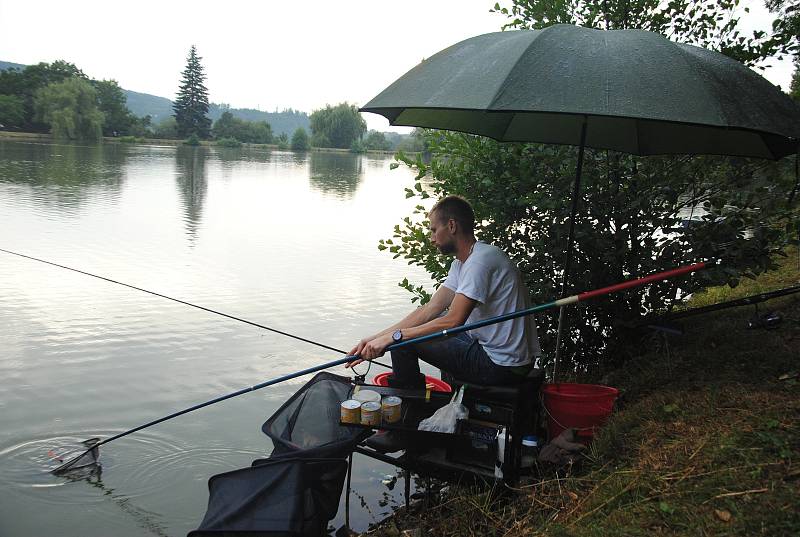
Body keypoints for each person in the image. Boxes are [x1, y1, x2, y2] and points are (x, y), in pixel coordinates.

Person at [347, 195, 541, 389]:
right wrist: (375, 338)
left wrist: (395, 338)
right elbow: (430, 309)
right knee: (417, 328)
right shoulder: (464, 262)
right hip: (497, 354)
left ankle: (410, 406)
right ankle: (415, 397)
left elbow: (453, 321)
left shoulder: (479, 263)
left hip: (503, 366)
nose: (431, 239)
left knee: (403, 343)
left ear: (451, 226)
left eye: (433, 230)